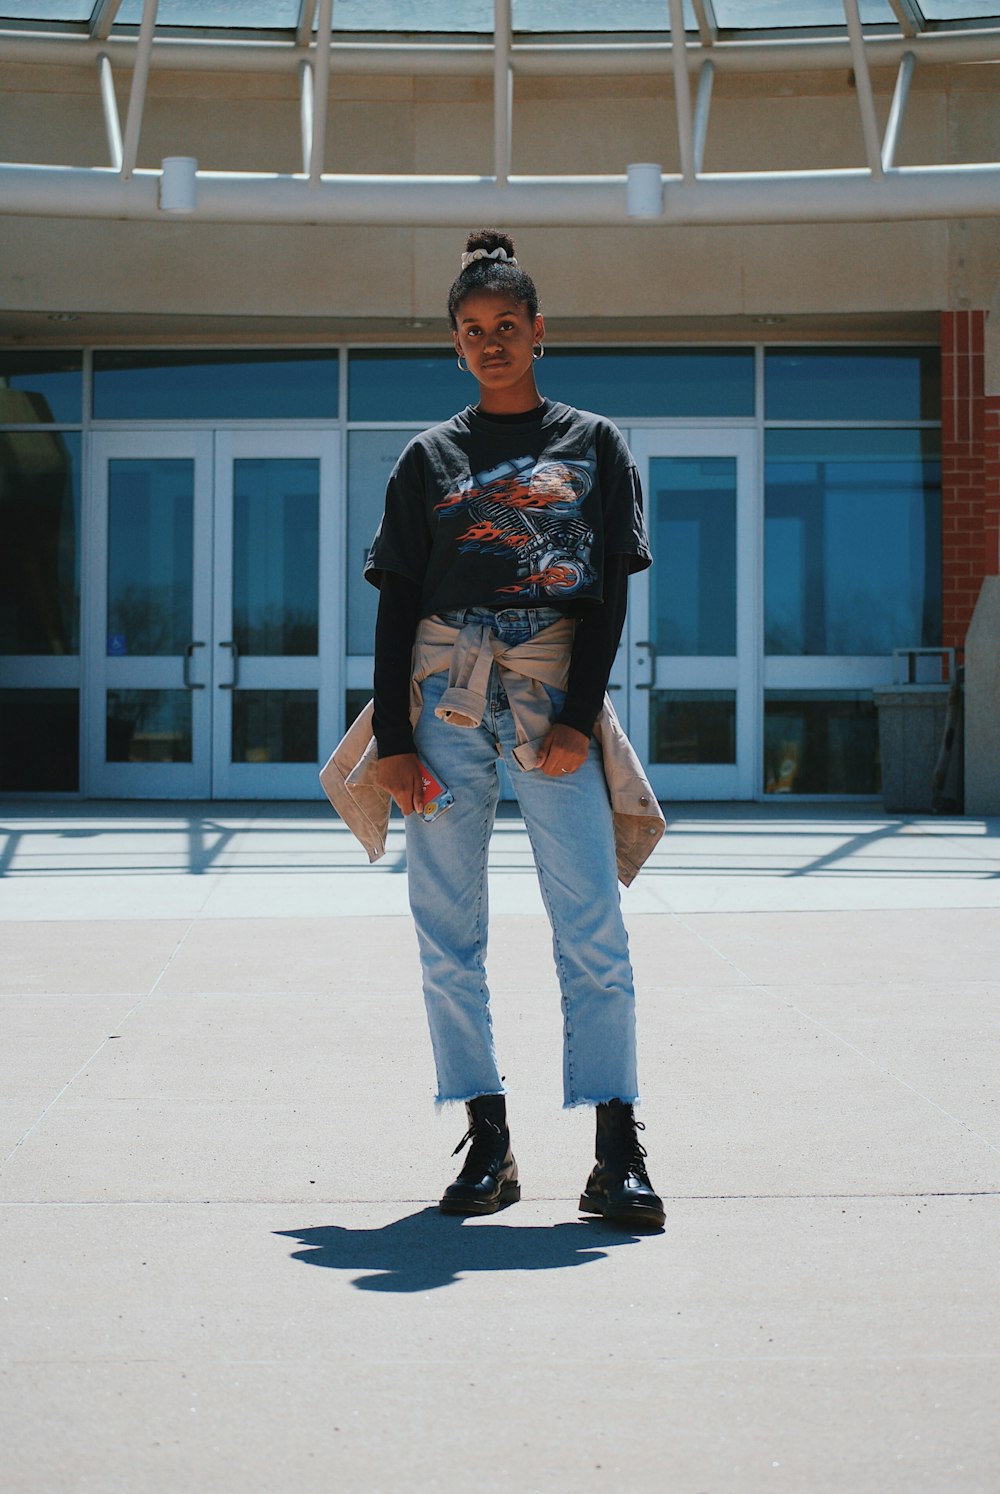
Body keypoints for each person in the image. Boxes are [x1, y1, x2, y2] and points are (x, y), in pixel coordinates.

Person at [362, 228, 665, 1230]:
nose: (490, 343)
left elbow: (611, 597)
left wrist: (578, 718)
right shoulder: (428, 458)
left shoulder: (594, 444)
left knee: (593, 930)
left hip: (546, 702)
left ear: (538, 332)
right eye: (470, 331)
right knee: (446, 931)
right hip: (442, 703)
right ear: (455, 346)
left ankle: (616, 1151)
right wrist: (394, 745)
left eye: (505, 326)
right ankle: (488, 1141)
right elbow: (395, 601)